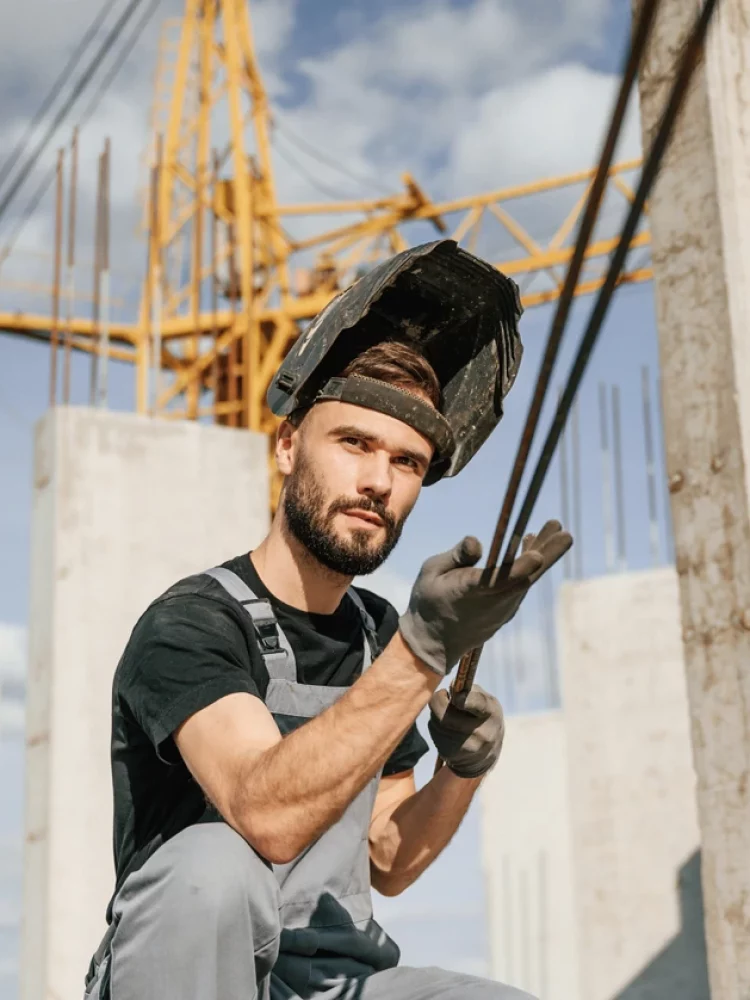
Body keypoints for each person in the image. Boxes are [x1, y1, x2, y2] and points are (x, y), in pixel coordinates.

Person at [84, 240, 571, 1000]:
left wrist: (461, 769)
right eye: (354, 443)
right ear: (287, 445)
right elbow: (263, 813)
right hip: (198, 974)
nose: (378, 481)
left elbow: (388, 859)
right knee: (213, 867)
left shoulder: (378, 633)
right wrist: (422, 654)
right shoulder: (192, 623)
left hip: (335, 982)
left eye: (407, 462)